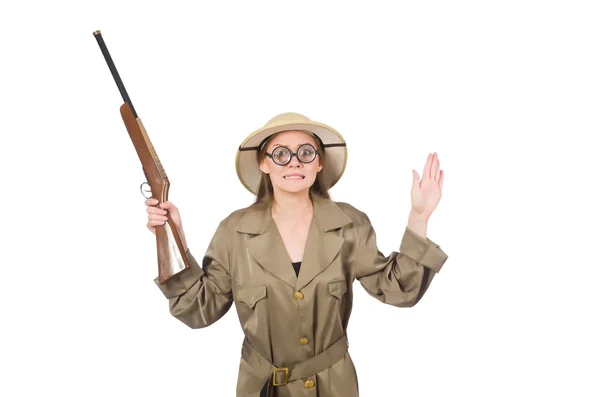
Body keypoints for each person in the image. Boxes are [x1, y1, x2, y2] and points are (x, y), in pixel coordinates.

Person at [144, 112, 448, 396]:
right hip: (262, 386)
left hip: (334, 385)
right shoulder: (234, 231)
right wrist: (176, 239)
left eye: (305, 153)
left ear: (318, 163)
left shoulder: (349, 224)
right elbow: (200, 309)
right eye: (280, 154)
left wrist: (419, 216)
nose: (294, 163)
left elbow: (399, 290)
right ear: (264, 163)